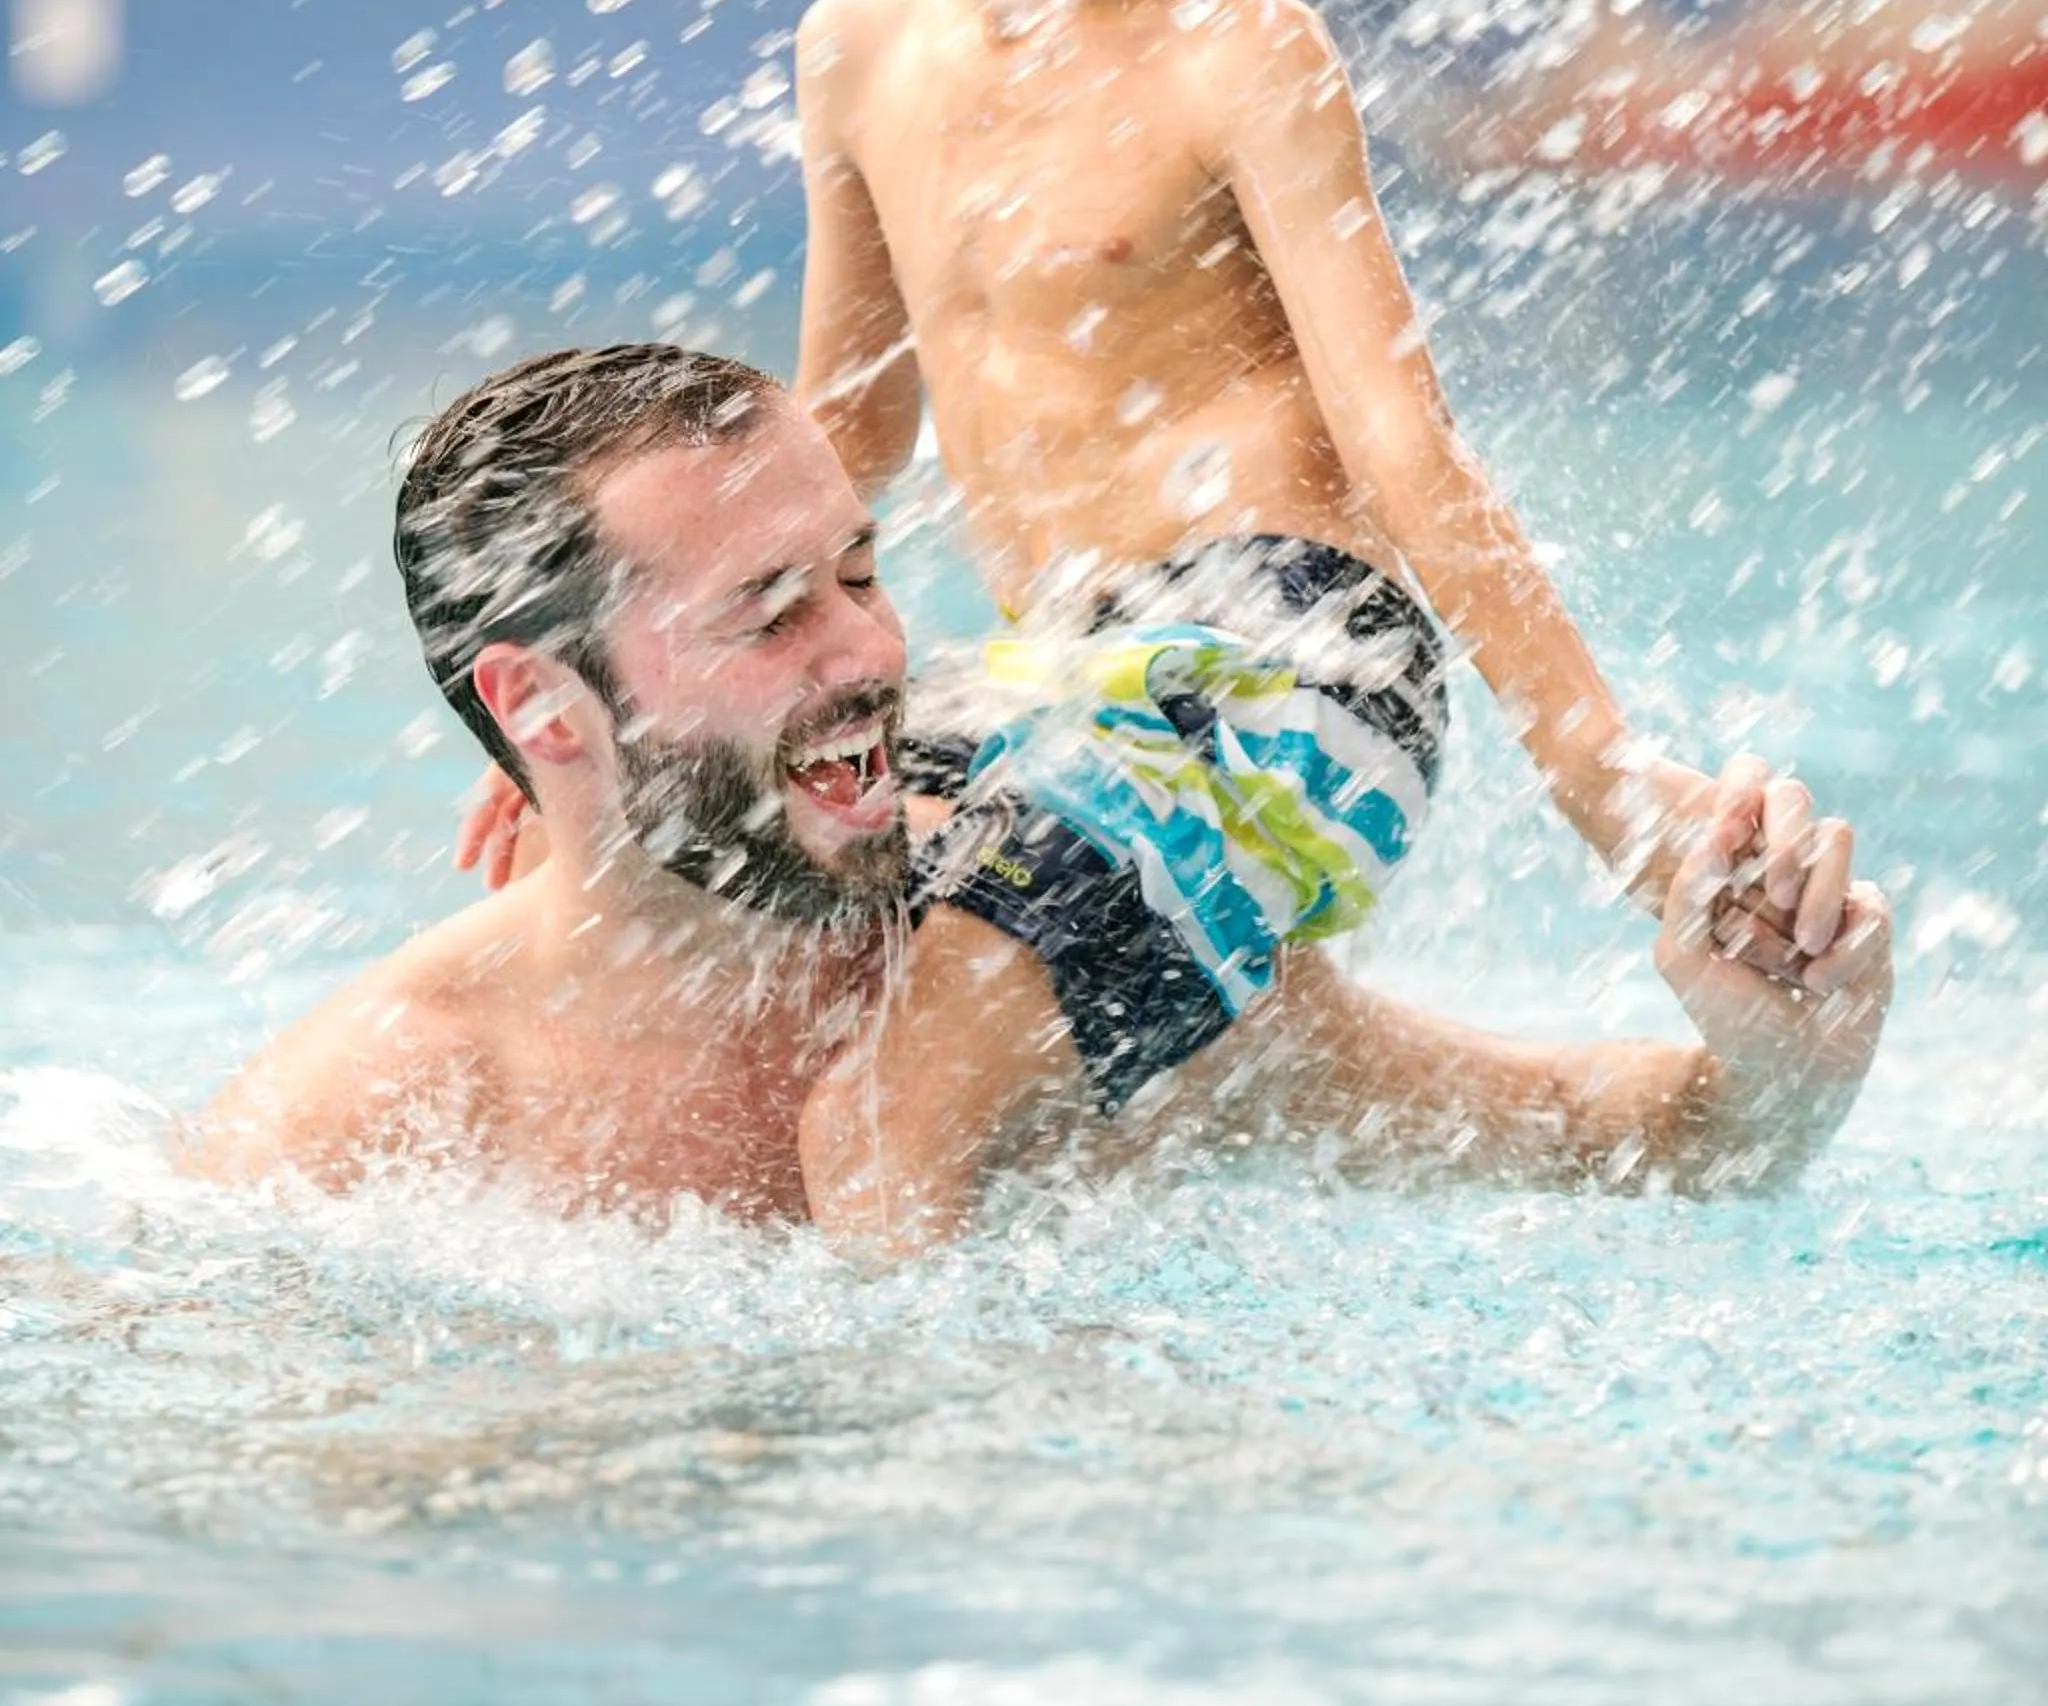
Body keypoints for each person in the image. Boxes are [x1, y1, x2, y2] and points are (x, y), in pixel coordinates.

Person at [770, 0, 1875, 1079]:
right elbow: (840, 439)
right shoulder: (861, 47)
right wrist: (640, 742)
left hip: (1294, 660)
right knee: (744, 886)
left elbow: (1403, 444)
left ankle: (894, 1330)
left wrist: (1612, 790)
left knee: (916, 1049)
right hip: (1069, 686)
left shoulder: (1243, 52)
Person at [200, 347, 1893, 1254]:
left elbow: (1633, 1143)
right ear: (541, 714)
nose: (871, 649)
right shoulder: (374, 1127)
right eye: (770, 612)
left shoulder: (1042, 951)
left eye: (861, 572)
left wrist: (1779, 1070)